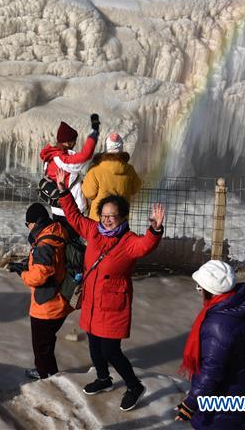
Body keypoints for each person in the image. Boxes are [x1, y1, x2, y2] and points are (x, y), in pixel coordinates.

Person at [52, 167, 165, 412]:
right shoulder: (94, 231)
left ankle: (134, 386)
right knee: (93, 345)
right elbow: (74, 217)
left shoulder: (128, 242)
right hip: (93, 302)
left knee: (111, 351)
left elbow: (145, 246)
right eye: (103, 215)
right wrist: (63, 192)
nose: (106, 219)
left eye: (112, 216)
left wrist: (155, 230)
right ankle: (103, 379)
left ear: (123, 217)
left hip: (113, 305)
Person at [176, 260, 245, 429]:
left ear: (209, 291)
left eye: (199, 287)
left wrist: (190, 404)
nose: (198, 290)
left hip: (226, 400)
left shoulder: (218, 326)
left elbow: (210, 373)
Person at [8, 203, 72, 381]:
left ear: (35, 223)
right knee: (48, 341)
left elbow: (39, 276)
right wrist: (28, 264)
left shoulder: (44, 243)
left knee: (41, 345)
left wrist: (23, 273)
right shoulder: (57, 231)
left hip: (47, 305)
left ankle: (46, 376)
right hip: (61, 299)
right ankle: (50, 371)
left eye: (27, 224)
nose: (27, 227)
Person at [39, 116, 99, 218]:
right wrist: (94, 133)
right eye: (73, 141)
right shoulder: (61, 160)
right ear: (67, 142)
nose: (75, 143)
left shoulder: (50, 155)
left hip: (59, 208)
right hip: (70, 210)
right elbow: (85, 156)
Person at [82, 132, 143, 221]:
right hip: (120, 220)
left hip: (99, 220)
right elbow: (135, 188)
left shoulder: (95, 170)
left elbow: (89, 193)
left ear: (106, 148)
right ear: (121, 148)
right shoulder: (130, 170)